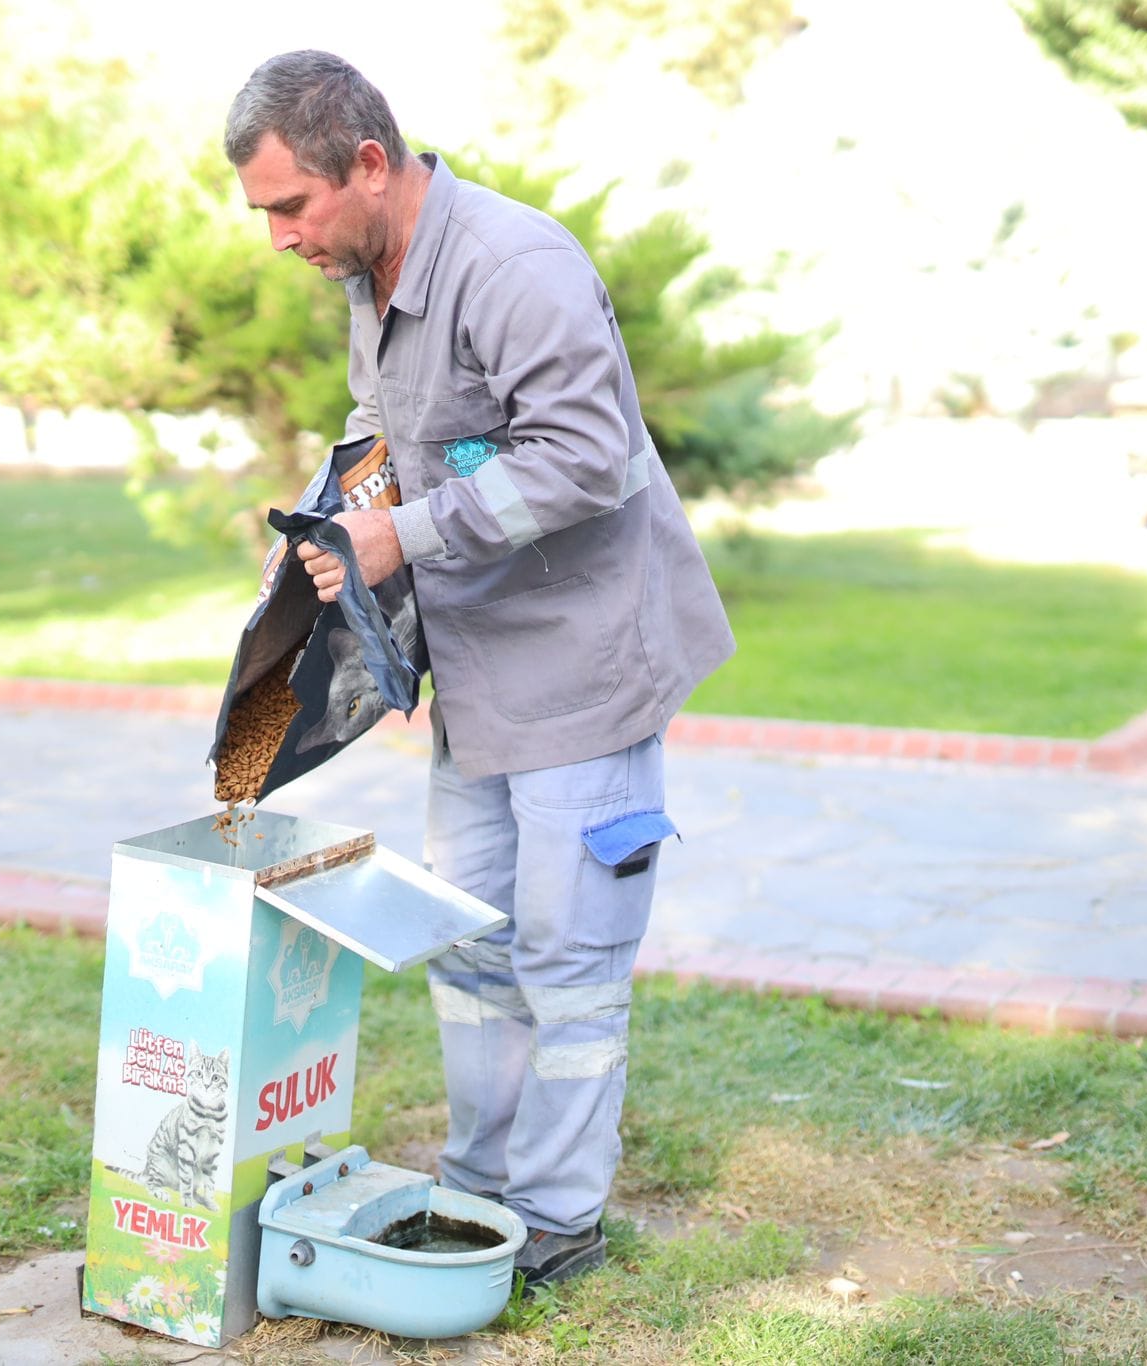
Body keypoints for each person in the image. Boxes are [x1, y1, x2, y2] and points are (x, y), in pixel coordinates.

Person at [225, 50, 734, 1290]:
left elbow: (583, 456)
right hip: (482, 674)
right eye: (264, 217)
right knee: (469, 948)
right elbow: (407, 440)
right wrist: (338, 531)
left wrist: (410, 530)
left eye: (291, 206)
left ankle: (559, 1212)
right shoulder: (369, 270)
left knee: (566, 956)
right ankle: (483, 1183)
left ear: (367, 161)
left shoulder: (515, 266)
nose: (280, 236)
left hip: (585, 666)